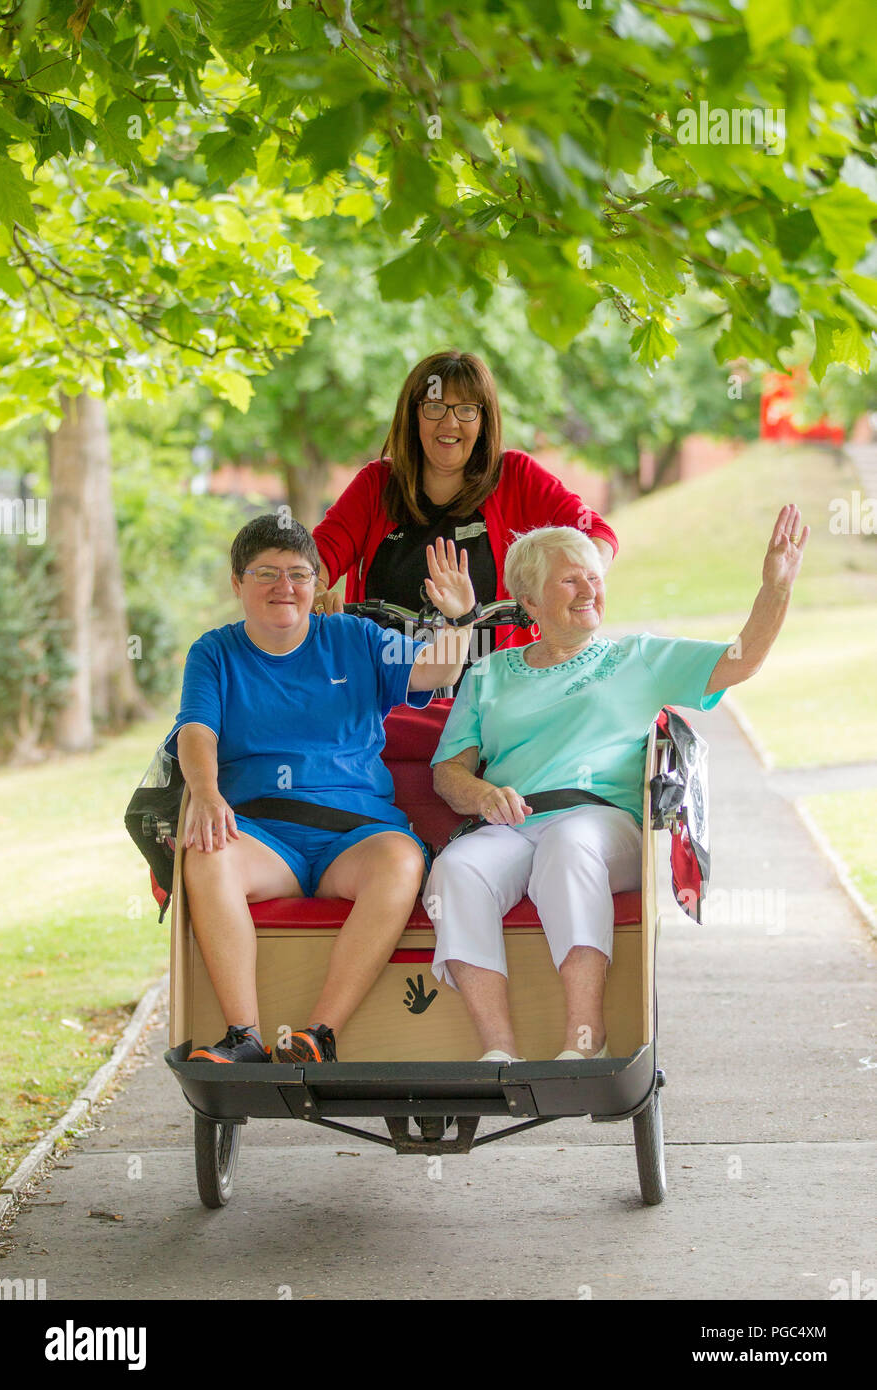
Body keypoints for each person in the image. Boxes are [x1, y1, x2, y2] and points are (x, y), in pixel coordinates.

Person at [425, 505, 809, 1062]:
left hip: (604, 826)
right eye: (570, 579)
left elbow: (740, 661)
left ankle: (585, 1041)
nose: (588, 590)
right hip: (513, 823)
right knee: (455, 869)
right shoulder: (489, 673)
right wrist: (483, 795)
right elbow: (447, 772)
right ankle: (498, 1054)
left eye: (595, 578)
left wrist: (775, 589)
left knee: (569, 842)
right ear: (529, 601)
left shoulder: (639, 656)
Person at [166, 514, 478, 1065]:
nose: (284, 587)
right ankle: (244, 1036)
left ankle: (320, 1034)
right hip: (261, 833)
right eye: (266, 573)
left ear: (317, 585)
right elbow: (196, 731)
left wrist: (459, 618)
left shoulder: (352, 638)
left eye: (299, 574)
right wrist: (207, 792)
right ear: (237, 583)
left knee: (402, 862)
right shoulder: (213, 653)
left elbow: (436, 671)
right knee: (207, 854)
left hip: (354, 833)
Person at [311, 349, 619, 669]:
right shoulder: (376, 485)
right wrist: (315, 588)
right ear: (413, 415)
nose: (450, 422)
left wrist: (582, 581)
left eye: (466, 409)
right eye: (434, 407)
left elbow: (595, 532)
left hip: (493, 699)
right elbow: (312, 559)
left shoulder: (515, 476)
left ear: (484, 420)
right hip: (390, 695)